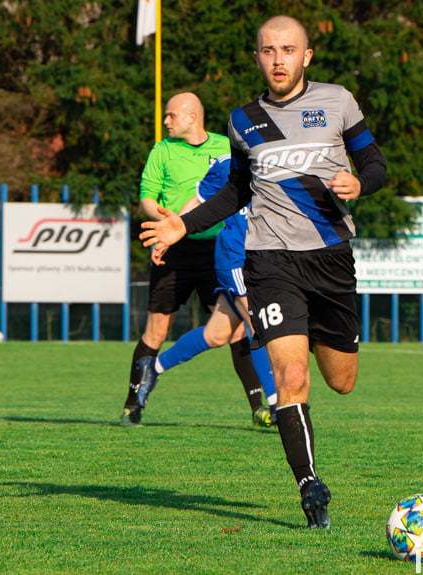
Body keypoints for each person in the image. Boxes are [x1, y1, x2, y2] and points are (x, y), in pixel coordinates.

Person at [139, 15, 387, 529]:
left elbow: (376, 165)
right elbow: (235, 192)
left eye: (288, 50)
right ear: (257, 58)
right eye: (268, 51)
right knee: (290, 376)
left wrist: (360, 184)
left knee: (341, 381)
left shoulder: (337, 101)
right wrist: (182, 226)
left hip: (332, 258)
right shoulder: (242, 119)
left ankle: (316, 332)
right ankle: (309, 484)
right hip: (270, 261)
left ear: (307, 56)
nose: (278, 59)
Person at [122, 92, 268, 427]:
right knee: (157, 330)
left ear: (192, 117)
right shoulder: (162, 150)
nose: (165, 121)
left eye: (171, 115)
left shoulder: (224, 147)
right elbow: (146, 198)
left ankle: (259, 406)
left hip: (219, 249)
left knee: (234, 330)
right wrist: (166, 224)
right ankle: (133, 403)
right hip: (175, 248)